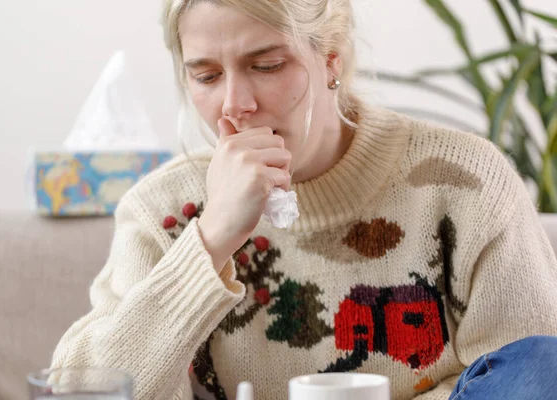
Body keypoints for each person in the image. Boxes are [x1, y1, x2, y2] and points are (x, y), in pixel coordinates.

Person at [50, 0, 557, 399]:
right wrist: (209, 242)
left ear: (331, 60)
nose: (234, 104)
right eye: (205, 76)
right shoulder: (163, 212)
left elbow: (531, 374)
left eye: (266, 65)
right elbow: (82, 391)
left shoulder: (465, 181)